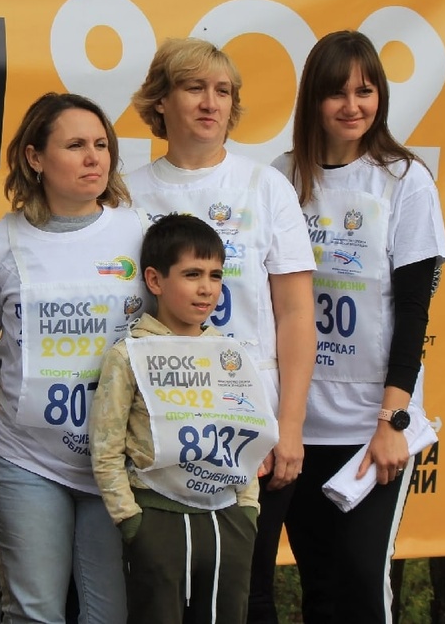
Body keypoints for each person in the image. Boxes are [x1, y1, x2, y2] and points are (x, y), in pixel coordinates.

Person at [125, 36, 316, 623]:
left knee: (244, 593)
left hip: (247, 424)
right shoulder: (126, 192)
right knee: (162, 593)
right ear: (161, 100)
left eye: (223, 91)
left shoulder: (265, 187)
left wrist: (289, 428)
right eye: (194, 88)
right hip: (158, 424)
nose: (211, 103)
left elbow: (296, 315)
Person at [271, 30, 445, 623]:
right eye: (337, 93)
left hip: (369, 427)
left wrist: (393, 422)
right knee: (318, 588)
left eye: (365, 91)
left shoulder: (404, 179)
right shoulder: (281, 178)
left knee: (360, 587)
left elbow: (414, 312)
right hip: (295, 424)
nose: (352, 106)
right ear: (313, 100)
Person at [0, 93, 146, 623]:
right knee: (34, 612)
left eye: (101, 145)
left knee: (110, 614)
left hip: (116, 463)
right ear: (34, 157)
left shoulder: (140, 232)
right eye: (75, 145)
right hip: (27, 459)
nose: (94, 158)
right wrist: (27, 394)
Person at [89, 213, 278, 624]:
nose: (206, 287)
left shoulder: (230, 354)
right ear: (155, 280)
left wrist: (247, 509)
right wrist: (130, 520)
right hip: (156, 516)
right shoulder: (129, 354)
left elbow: (242, 442)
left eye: (215, 275)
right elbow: (105, 448)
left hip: (227, 517)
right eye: (192, 274)